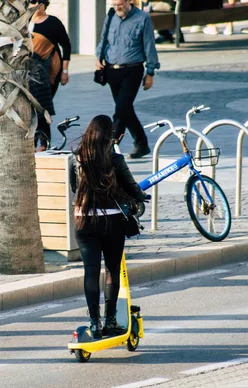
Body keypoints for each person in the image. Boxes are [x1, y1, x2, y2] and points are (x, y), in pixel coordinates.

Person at [70, 115, 147, 339]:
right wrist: (140, 197)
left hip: (83, 221)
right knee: (112, 270)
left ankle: (94, 322)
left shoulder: (77, 159)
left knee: (90, 272)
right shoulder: (114, 158)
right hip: (111, 222)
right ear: (109, 135)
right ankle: (111, 320)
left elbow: (75, 188)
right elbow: (133, 188)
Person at [96, 0, 159, 159]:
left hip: (133, 70)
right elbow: (103, 39)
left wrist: (150, 72)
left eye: (120, 4)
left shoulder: (142, 18)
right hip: (111, 70)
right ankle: (142, 143)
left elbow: (149, 45)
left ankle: (110, 145)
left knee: (120, 109)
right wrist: (98, 57)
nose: (117, 8)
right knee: (125, 109)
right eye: (114, 4)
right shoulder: (110, 16)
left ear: (129, 0)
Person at [28, 0, 72, 150]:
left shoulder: (53, 22)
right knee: (29, 107)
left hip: (49, 72)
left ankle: (43, 142)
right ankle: (32, 141)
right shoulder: (25, 23)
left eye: (36, 1)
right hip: (27, 72)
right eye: (30, 1)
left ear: (44, 4)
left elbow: (66, 45)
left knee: (42, 105)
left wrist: (65, 71)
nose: (33, 5)